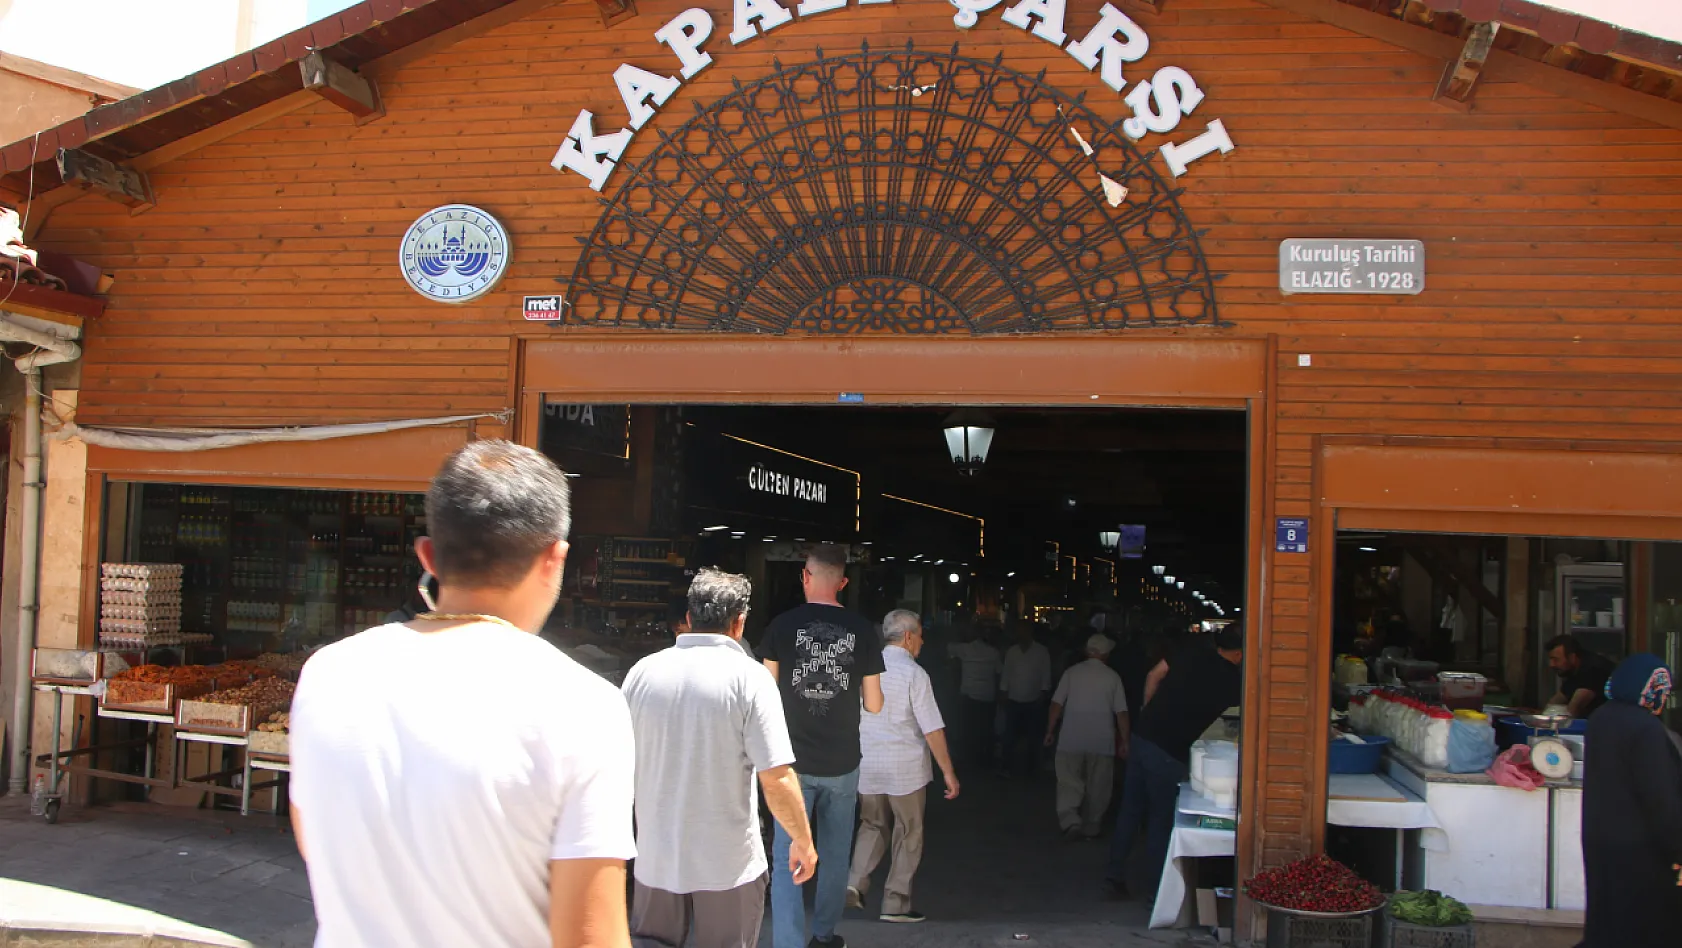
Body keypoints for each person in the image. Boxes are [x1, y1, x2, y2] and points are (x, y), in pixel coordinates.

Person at [289, 441, 636, 948]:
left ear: (428, 556)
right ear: (553, 558)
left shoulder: (327, 674)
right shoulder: (585, 705)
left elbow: (319, 845)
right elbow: (591, 937)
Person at [622, 569, 818, 948]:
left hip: (655, 857)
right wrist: (803, 840)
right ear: (739, 623)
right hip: (728, 864)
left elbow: (615, 766)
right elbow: (776, 777)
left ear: (690, 617)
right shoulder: (750, 678)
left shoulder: (641, 674)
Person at [760, 544, 886, 948]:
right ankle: (824, 936)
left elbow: (766, 694)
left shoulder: (781, 626)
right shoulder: (863, 630)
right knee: (834, 855)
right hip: (843, 761)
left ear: (805, 576)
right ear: (843, 583)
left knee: (787, 855)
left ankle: (788, 942)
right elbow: (874, 703)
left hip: (789, 763)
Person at [1103, 621, 1244, 901]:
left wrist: (1148, 709)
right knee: (1160, 820)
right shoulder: (1233, 681)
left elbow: (1154, 675)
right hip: (1169, 751)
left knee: (1130, 811)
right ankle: (1158, 891)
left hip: (1144, 735)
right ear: (1240, 653)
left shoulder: (1191, 651)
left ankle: (1114, 873)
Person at [847, 610, 960, 924]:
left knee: (872, 825)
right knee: (908, 832)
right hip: (905, 769)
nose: (922, 641)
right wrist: (948, 771)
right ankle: (895, 904)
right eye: (921, 634)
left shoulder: (864, 668)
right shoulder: (914, 674)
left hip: (868, 762)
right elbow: (931, 728)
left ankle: (855, 882)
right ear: (909, 636)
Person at [1581, 653, 1682, 947]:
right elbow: (1659, 798)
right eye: (1659, 688)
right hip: (1641, 849)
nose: (1662, 696)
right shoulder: (1645, 728)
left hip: (1601, 841)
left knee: (1609, 921)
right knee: (1646, 925)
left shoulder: (1602, 717)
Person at [1045, 634, 1129, 841]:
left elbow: (1056, 704)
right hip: (1102, 741)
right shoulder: (1113, 677)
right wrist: (1125, 741)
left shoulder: (1071, 673)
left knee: (1068, 781)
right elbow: (1121, 713)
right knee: (1099, 786)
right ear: (1106, 654)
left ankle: (1071, 820)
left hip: (1071, 738)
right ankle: (1092, 826)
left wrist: (1049, 730)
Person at [946, 623, 1002, 767]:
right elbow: (998, 674)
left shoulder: (965, 649)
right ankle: (985, 760)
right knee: (986, 730)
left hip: (969, 696)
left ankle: (970, 760)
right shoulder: (994, 652)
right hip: (987, 696)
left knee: (969, 729)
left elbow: (947, 647)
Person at [1000, 623, 1052, 776]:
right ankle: (1006, 767)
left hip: (1034, 699)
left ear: (1030, 632)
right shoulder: (1012, 651)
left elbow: (1045, 675)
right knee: (1009, 735)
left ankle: (1031, 768)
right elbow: (1006, 673)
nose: (1020, 635)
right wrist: (1003, 692)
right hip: (1014, 698)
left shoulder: (1041, 651)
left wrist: (1044, 694)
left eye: (1023, 631)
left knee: (1033, 737)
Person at [1546, 634, 1616, 718]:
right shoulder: (1573, 669)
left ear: (1572, 657)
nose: (1551, 664)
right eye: (1550, 659)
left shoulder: (1593, 670)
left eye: (1556, 659)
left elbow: (1573, 711)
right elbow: (1555, 702)